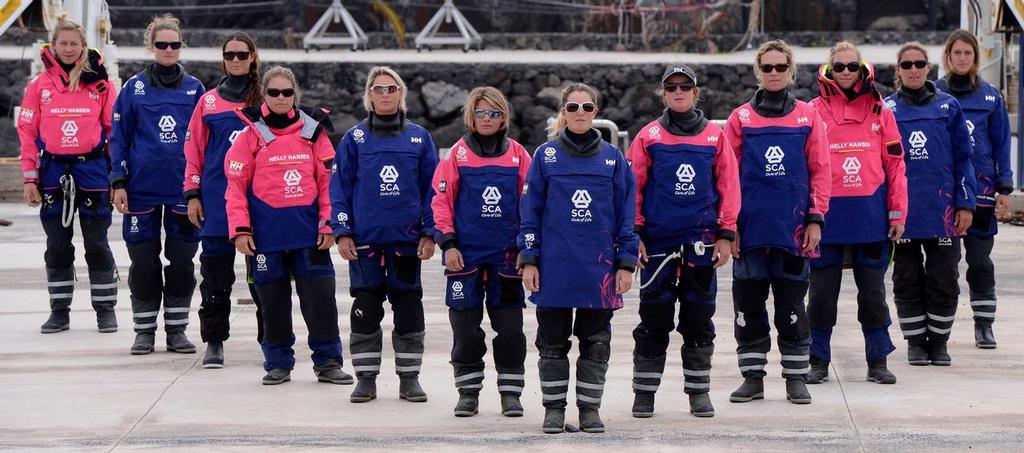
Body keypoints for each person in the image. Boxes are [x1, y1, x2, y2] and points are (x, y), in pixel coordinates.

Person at [518, 82, 638, 434]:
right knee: (551, 343)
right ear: (563, 113)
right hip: (554, 267)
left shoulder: (613, 158)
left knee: (596, 343)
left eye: (587, 107)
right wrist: (529, 258)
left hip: (598, 270)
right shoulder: (545, 156)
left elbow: (625, 215)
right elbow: (531, 212)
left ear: (596, 112)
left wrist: (626, 262)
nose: (580, 113)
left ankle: (589, 409)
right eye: (573, 108)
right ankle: (553, 409)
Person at [224, 66, 352, 385]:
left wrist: (329, 223)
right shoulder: (248, 135)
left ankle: (328, 362)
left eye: (287, 92)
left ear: (296, 94)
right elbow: (235, 188)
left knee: (321, 302)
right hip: (265, 239)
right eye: (274, 92)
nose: (281, 98)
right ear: (264, 95)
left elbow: (328, 183)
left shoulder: (315, 133)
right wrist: (239, 230)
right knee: (273, 304)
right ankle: (278, 362)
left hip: (311, 236)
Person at [626, 65, 739, 418]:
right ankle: (644, 394)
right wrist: (635, 234)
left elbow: (729, 187)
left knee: (698, 320)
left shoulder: (714, 137)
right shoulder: (648, 136)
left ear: (695, 93)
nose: (678, 92)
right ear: (663, 94)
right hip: (658, 244)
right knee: (653, 319)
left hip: (701, 243)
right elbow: (633, 190)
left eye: (685, 86)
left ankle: (698, 394)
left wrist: (726, 234)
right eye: (671, 87)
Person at [723, 39, 831, 406]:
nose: (773, 73)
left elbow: (821, 171)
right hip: (749, 234)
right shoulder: (740, 119)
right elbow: (725, 177)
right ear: (757, 71)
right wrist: (728, 226)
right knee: (748, 309)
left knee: (791, 309)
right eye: (766, 67)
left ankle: (796, 378)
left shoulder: (807, 116)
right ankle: (752, 379)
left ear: (790, 70)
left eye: (780, 67)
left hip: (794, 232)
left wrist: (816, 219)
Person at [331, 66, 438, 403]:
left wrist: (430, 232)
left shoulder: (420, 138)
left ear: (400, 93)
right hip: (365, 241)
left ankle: (410, 378)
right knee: (365, 306)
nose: (386, 94)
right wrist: (342, 232)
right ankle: (365, 378)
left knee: (408, 308)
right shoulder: (355, 139)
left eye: (392, 88)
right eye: (379, 89)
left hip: (407, 242)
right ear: (370, 95)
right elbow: (340, 189)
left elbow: (433, 190)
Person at [806, 41, 908, 385]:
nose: (846, 72)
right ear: (828, 70)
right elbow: (802, 168)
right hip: (827, 218)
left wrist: (897, 213)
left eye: (852, 66)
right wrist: (806, 215)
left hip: (871, 216)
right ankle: (817, 359)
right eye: (840, 67)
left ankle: (877, 359)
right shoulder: (812, 111)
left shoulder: (882, 111)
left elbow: (896, 167)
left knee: (874, 294)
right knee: (821, 295)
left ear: (863, 70)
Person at [431, 87, 531, 417]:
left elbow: (531, 206)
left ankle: (511, 393)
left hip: (507, 259)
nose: (487, 119)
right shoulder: (456, 155)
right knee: (465, 329)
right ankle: (468, 392)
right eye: (481, 113)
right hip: (465, 257)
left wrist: (527, 251)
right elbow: (441, 202)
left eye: (494, 113)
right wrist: (448, 243)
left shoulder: (518, 155)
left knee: (511, 331)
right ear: (471, 116)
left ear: (504, 117)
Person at [109, 15, 205, 355]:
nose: (168, 50)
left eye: (174, 44)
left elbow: (205, 142)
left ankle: (177, 329)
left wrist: (203, 186)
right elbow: (118, 137)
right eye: (161, 44)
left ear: (181, 47)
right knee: (144, 262)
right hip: (140, 189)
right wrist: (117, 180)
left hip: (183, 191)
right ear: (151, 46)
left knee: (181, 261)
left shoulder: (195, 89)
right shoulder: (132, 88)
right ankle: (144, 330)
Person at [19, 15, 118, 334]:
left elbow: (113, 130)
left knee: (97, 243)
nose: (69, 48)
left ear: (83, 46)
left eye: (74, 43)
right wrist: (30, 177)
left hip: (92, 170)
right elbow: (27, 130)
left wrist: (117, 177)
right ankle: (59, 311)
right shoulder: (39, 85)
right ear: (54, 45)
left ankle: (105, 309)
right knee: (57, 245)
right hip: (53, 172)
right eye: (63, 43)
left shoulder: (100, 83)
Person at [886, 42, 975, 366]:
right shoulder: (887, 110)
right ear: (898, 70)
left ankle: (938, 341)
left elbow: (964, 160)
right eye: (906, 64)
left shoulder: (949, 107)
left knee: (944, 278)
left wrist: (965, 204)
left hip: (944, 213)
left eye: (919, 63)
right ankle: (915, 343)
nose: (913, 69)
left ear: (928, 68)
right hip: (904, 215)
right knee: (906, 279)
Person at [184, 31, 265, 368]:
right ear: (223, 58)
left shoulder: (266, 99)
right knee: (215, 276)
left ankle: (271, 340)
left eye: (242, 54)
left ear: (252, 57)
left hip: (261, 204)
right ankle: (214, 340)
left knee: (263, 276)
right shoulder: (209, 102)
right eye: (229, 54)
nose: (235, 60)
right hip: (217, 202)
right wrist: (192, 194)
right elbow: (193, 151)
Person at [937, 30, 1013, 349]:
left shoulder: (991, 98)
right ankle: (941, 329)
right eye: (957, 53)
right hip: (945, 198)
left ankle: (984, 325)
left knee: (980, 263)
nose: (962, 58)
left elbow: (1001, 145)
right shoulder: (934, 94)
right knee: (945, 264)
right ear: (948, 56)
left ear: (975, 58)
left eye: (968, 53)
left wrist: (1004, 189)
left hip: (981, 196)